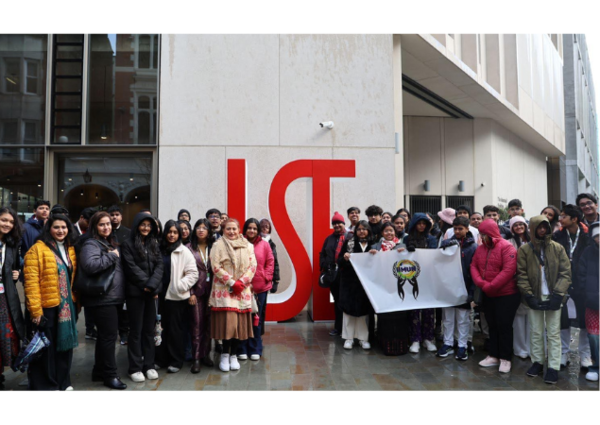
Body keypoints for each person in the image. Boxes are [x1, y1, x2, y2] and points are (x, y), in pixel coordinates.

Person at [24, 213, 78, 390]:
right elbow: (31, 282)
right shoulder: (37, 249)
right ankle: (47, 385)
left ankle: (64, 381)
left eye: (64, 227)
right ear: (49, 229)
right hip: (47, 307)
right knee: (46, 349)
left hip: (66, 308)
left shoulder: (70, 249)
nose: (61, 230)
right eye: (56, 227)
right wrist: (35, 311)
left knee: (65, 345)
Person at [517, 215, 571, 384]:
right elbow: (521, 274)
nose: (542, 230)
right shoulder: (525, 250)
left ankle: (553, 366)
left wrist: (558, 294)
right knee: (536, 331)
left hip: (553, 296)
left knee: (554, 332)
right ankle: (538, 362)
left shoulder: (557, 248)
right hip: (534, 296)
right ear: (532, 229)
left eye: (545, 227)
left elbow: (565, 273)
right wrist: (528, 295)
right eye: (539, 227)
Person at [78, 212, 127, 390]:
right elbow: (90, 266)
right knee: (109, 338)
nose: (106, 227)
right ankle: (110, 375)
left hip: (111, 297)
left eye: (108, 224)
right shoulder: (91, 243)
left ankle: (99, 371)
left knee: (105, 337)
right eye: (101, 225)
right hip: (102, 298)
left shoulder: (108, 242)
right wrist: (112, 256)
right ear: (94, 227)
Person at [471, 219, 519, 374]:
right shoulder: (481, 249)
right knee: (492, 324)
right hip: (488, 293)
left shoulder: (507, 247)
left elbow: (508, 270)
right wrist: (481, 283)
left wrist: (490, 286)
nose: (481, 237)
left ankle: (505, 358)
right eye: (480, 234)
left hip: (506, 294)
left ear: (491, 233)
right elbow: (474, 266)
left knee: (504, 325)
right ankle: (493, 355)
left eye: (484, 234)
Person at [209, 218, 257, 373]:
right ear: (223, 230)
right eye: (228, 229)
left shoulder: (248, 246)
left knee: (238, 325)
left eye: (234, 229)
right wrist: (231, 282)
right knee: (228, 325)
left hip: (242, 291)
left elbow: (253, 266)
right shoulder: (218, 245)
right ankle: (224, 354)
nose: (231, 232)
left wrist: (241, 282)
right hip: (225, 291)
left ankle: (234, 355)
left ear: (239, 230)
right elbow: (215, 266)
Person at [120, 212, 163, 383]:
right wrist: (149, 284)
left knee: (149, 331)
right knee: (136, 331)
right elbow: (131, 268)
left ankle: (149, 365)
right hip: (136, 294)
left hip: (151, 294)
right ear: (137, 225)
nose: (146, 228)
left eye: (149, 225)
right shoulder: (128, 244)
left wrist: (153, 286)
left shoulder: (154, 243)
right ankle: (135, 367)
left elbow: (160, 266)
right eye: (143, 224)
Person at [156, 220, 198, 373]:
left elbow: (193, 274)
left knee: (175, 330)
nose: (172, 235)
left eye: (175, 232)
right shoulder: (159, 249)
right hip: (159, 296)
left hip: (176, 297)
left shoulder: (183, 251)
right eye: (169, 232)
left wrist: (180, 286)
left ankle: (176, 360)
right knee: (160, 329)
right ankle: (160, 359)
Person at [553, 204, 592, 369]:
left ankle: (585, 354)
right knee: (563, 319)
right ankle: (563, 353)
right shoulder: (557, 236)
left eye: (563, 216)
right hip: (562, 282)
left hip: (583, 283)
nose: (560, 219)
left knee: (585, 320)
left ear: (574, 219)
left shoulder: (587, 235)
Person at [437, 216, 476, 361]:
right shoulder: (447, 243)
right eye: (455, 228)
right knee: (448, 318)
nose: (458, 231)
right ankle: (447, 343)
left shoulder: (472, 247)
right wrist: (446, 244)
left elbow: (474, 270)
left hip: (464, 288)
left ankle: (462, 345)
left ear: (467, 228)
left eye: (461, 228)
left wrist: (472, 291)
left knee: (463, 319)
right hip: (448, 287)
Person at [237, 218, 274, 361]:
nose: (252, 231)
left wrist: (267, 276)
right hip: (243, 288)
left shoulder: (264, 244)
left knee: (256, 320)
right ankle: (242, 348)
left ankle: (255, 348)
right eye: (249, 228)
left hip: (260, 288)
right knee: (243, 319)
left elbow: (270, 261)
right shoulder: (240, 244)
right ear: (245, 229)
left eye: (254, 228)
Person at [337, 221, 376, 351]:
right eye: (359, 229)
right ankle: (348, 338)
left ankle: (363, 339)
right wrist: (345, 257)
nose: (361, 231)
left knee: (364, 312)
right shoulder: (349, 244)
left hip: (367, 284)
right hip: (350, 283)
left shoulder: (374, 244)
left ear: (369, 231)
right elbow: (339, 261)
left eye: (364, 229)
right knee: (348, 311)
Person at [403, 213, 437, 353]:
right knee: (414, 310)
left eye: (424, 223)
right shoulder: (407, 238)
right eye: (419, 223)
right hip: (411, 279)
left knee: (429, 310)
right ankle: (415, 339)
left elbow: (435, 255)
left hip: (428, 278)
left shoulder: (431, 239)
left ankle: (428, 339)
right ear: (414, 224)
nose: (422, 226)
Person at [0, 207, 25, 387]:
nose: (7, 224)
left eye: (11, 221)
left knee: (4, 336)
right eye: (3, 220)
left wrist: (17, 272)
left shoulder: (12, 243)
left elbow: (16, 266)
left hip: (4, 296)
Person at [186, 218, 214, 373]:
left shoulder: (215, 247)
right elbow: (184, 272)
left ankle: (206, 355)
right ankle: (196, 358)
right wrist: (190, 292)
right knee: (197, 325)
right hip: (195, 292)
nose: (201, 230)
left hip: (213, 292)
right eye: (198, 227)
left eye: (204, 227)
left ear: (209, 231)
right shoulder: (188, 248)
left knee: (209, 325)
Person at [319, 212, 348, 337]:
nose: (336, 225)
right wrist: (324, 265)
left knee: (345, 301)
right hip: (333, 275)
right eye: (334, 223)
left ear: (343, 224)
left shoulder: (349, 237)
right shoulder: (329, 239)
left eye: (339, 223)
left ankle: (347, 329)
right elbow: (323, 253)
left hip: (346, 275)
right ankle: (338, 327)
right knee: (337, 302)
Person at [506, 216, 531, 360]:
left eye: (521, 224)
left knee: (532, 317)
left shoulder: (533, 240)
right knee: (519, 316)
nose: (519, 227)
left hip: (533, 283)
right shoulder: (509, 242)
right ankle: (521, 348)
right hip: (516, 282)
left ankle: (532, 347)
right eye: (516, 225)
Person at [107, 204, 130, 346]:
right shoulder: (105, 231)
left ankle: (123, 333)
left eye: (117, 214)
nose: (114, 217)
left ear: (121, 216)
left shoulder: (128, 232)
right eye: (112, 214)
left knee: (124, 308)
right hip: (108, 273)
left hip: (124, 273)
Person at [579, 222, 599, 382]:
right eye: (597, 235)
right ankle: (595, 367)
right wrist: (588, 294)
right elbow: (581, 275)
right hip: (592, 303)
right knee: (593, 337)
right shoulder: (588, 252)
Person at [260, 218, 280, 294]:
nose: (265, 228)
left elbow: (275, 262)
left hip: (267, 277)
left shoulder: (271, 244)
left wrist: (276, 280)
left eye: (267, 227)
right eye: (262, 227)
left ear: (269, 229)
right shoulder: (255, 241)